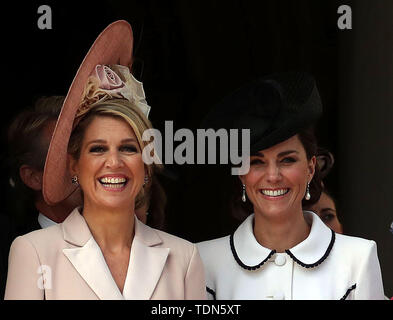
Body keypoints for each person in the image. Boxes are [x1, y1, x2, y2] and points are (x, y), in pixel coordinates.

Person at [5, 20, 205, 300]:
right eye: (98, 149)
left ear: (146, 162)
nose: (114, 162)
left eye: (128, 148)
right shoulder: (34, 251)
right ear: (74, 164)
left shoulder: (184, 257)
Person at [197, 72, 384, 300]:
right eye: (257, 162)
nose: (273, 176)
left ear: (311, 167)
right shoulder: (202, 261)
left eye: (287, 160)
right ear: (241, 174)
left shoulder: (358, 258)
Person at [7, 96, 82, 233]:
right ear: (33, 177)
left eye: (92, 149)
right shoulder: (17, 249)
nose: (89, 163)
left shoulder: (128, 233)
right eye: (70, 154)